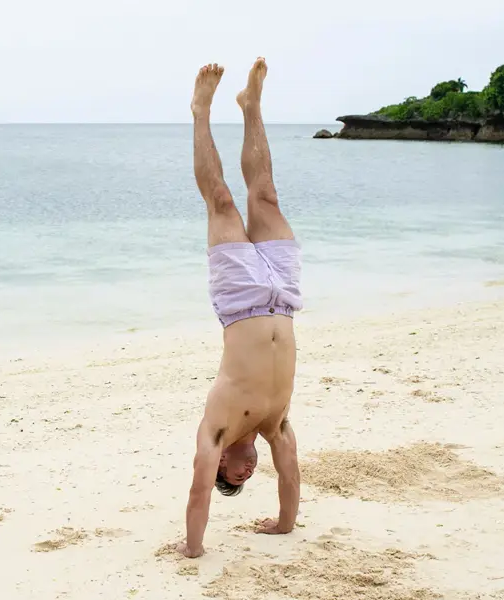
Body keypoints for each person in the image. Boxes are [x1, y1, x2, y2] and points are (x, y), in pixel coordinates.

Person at [176, 58, 303, 559]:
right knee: (266, 195)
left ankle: (201, 113)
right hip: (285, 296)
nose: (246, 473)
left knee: (223, 202)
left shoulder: (217, 428)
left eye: (236, 474)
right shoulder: (276, 427)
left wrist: (192, 549)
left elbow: (197, 492)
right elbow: (290, 475)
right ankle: (251, 107)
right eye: (246, 477)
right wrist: (285, 525)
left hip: (240, 300)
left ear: (223, 460)